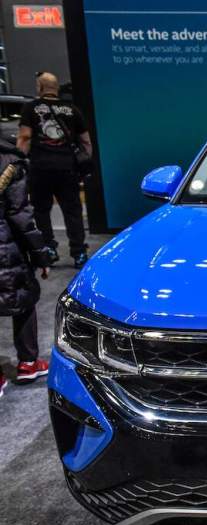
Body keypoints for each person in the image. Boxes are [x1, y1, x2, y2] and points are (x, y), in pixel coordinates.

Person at [16, 71, 93, 268]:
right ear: (56, 88)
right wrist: (84, 162)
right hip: (67, 168)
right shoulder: (72, 109)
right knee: (73, 211)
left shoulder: (31, 108)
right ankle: (79, 253)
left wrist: (17, 160)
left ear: (40, 88)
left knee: (41, 210)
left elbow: (25, 137)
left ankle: (49, 249)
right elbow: (85, 141)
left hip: (41, 167)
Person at [0, 142, 51, 396]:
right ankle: (28, 363)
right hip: (6, 249)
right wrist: (41, 256)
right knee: (23, 300)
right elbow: (20, 215)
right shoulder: (9, 162)